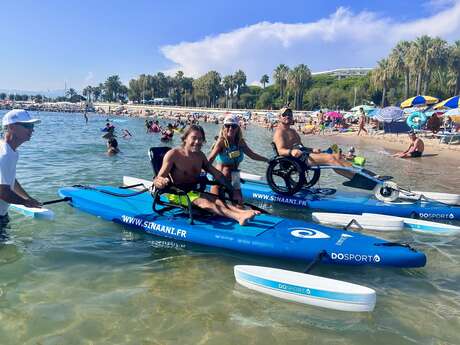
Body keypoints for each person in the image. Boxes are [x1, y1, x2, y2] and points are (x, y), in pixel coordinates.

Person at [153, 125, 260, 226]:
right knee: (205, 202)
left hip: (193, 192)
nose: (197, 142)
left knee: (217, 200)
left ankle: (241, 212)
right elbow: (159, 177)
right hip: (177, 194)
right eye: (194, 138)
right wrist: (159, 182)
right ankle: (238, 217)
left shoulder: (200, 156)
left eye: (200, 139)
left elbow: (217, 174)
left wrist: (233, 190)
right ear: (185, 138)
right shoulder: (173, 154)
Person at [273, 107, 355, 179]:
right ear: (279, 117)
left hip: (302, 156)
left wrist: (312, 150)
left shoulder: (292, 131)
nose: (288, 116)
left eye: (290, 114)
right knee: (330, 159)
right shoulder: (280, 132)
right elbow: (280, 151)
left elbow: (301, 147)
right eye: (284, 114)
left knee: (336, 155)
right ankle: (353, 178)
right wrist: (291, 151)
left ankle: (355, 173)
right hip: (292, 161)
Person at [208, 115, 268, 205]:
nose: (230, 128)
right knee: (217, 207)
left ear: (238, 128)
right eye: (227, 125)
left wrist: (267, 160)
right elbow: (210, 159)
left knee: (239, 205)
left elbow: (252, 155)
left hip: (235, 177)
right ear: (224, 127)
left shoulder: (240, 142)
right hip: (220, 179)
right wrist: (199, 172)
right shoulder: (221, 142)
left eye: (234, 126)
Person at [0, 109, 42, 229]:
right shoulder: (5, 154)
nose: (32, 130)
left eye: (32, 126)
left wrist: (26, 197)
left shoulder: (11, 151)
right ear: (11, 127)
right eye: (27, 125)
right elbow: (3, 193)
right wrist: (26, 203)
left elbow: (10, 179)